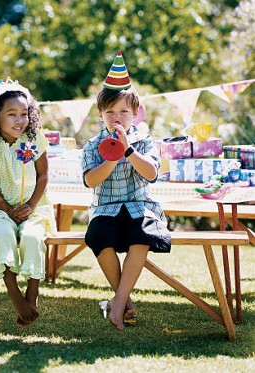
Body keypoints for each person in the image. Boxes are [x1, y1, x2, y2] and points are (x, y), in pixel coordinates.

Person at [81, 51, 171, 330]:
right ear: (100, 114)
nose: (117, 117)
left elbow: (152, 173)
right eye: (110, 112)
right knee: (98, 237)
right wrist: (111, 156)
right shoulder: (92, 145)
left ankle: (118, 302)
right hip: (105, 208)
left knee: (141, 235)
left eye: (123, 112)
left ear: (135, 113)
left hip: (140, 206)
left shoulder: (143, 141)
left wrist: (128, 149)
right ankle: (125, 299)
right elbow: (91, 181)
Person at [0, 78, 57, 326]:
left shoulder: (34, 139)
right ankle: (12, 288)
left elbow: (43, 175)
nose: (19, 120)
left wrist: (31, 205)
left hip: (34, 209)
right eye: (12, 114)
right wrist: (5, 208)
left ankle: (33, 291)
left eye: (24, 113)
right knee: (3, 234)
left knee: (32, 237)